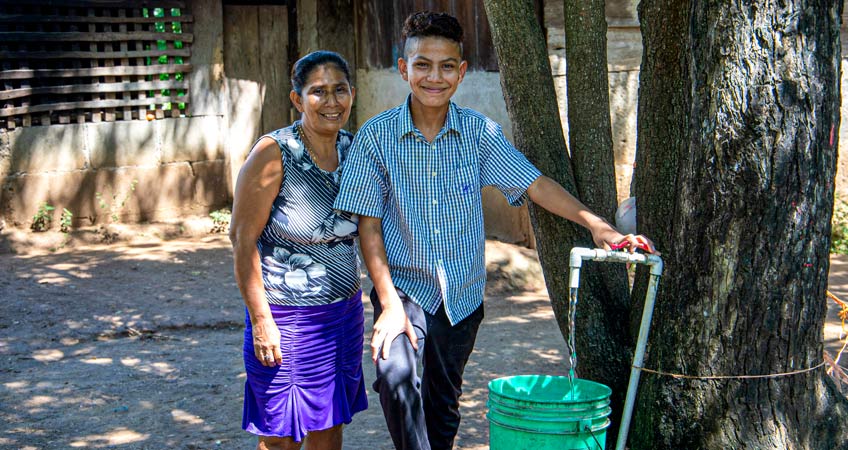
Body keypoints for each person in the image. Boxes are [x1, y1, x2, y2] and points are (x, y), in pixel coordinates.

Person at [333, 11, 657, 450]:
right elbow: (368, 227)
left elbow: (535, 183)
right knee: (395, 378)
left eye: (447, 66)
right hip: (403, 289)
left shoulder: (478, 134)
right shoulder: (377, 137)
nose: (435, 76)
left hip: (462, 295)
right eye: (423, 64)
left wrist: (597, 225)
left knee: (442, 402)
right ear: (404, 68)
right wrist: (388, 304)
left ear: (462, 72)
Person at [229, 50, 367, 450]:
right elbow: (242, 239)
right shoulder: (274, 153)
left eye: (340, 90)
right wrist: (261, 321)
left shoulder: (354, 149)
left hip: (342, 315)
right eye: (318, 92)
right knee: (281, 434)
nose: (331, 102)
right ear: (297, 99)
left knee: (330, 422)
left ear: (352, 94)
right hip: (286, 319)